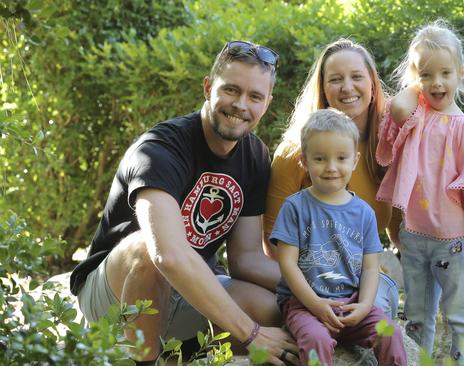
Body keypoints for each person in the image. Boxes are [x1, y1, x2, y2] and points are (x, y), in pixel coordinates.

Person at [69, 40, 298, 365]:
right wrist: (251, 333)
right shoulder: (159, 149)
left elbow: (247, 259)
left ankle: (184, 353)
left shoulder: (255, 156)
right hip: (113, 297)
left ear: (267, 103)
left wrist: (318, 289)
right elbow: (168, 255)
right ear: (208, 87)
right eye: (231, 90)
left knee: (275, 310)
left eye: (255, 97)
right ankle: (142, 361)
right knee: (148, 248)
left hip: (188, 292)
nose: (241, 105)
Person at [375, 20, 464, 360]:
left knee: (460, 315)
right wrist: (414, 78)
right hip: (415, 238)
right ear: (415, 79)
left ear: (461, 74)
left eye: (446, 73)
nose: (437, 83)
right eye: (427, 75)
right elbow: (400, 106)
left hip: (452, 241)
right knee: (417, 318)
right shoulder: (416, 116)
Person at [263, 38, 400, 319]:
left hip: (366, 281)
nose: (347, 87)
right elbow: (271, 242)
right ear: (323, 89)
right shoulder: (296, 153)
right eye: (336, 79)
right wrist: (313, 298)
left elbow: (398, 231)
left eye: (357, 77)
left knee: (377, 314)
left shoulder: (388, 147)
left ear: (373, 86)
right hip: (307, 286)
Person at [271, 109, 407, 366]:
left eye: (341, 158)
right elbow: (287, 264)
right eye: (320, 158)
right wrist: (315, 304)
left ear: (354, 161)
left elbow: (369, 268)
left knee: (390, 332)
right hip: (305, 306)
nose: (331, 167)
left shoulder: (364, 213)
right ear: (304, 160)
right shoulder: (296, 207)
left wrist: (365, 306)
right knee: (315, 341)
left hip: (352, 303)